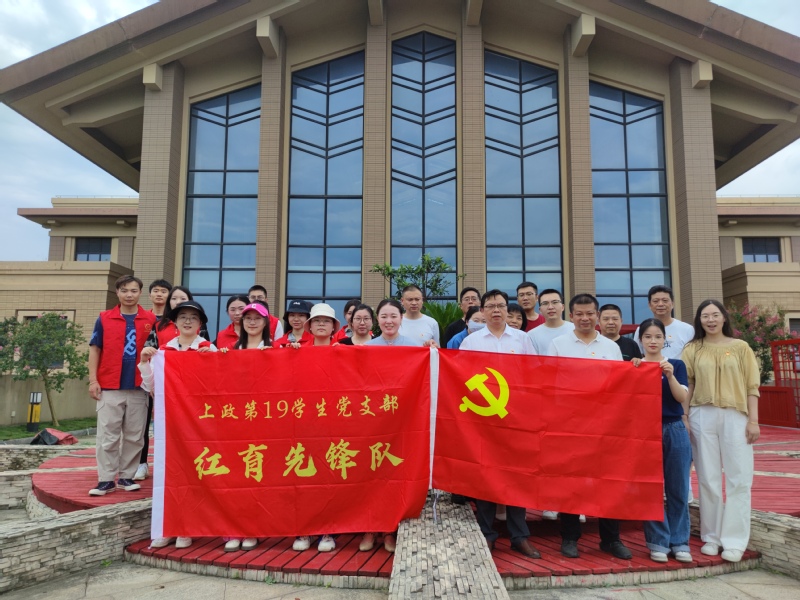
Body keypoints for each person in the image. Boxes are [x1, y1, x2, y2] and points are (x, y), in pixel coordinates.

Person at [547, 293, 632, 560]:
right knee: (571, 482)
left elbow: (620, 384)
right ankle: (570, 537)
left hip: (605, 424)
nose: (585, 318)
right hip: (570, 423)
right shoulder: (558, 344)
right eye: (580, 314)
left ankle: (611, 539)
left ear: (597, 315)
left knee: (608, 481)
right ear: (571, 316)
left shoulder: (610, 347)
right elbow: (549, 383)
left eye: (590, 313)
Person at [458, 289, 540, 558]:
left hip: (515, 418)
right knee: (485, 476)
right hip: (483, 420)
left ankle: (519, 536)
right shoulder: (471, 342)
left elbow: (533, 375)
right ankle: (487, 534)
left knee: (516, 477)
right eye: (491, 306)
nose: (496, 310)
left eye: (501, 306)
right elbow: (462, 378)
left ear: (508, 309)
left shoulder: (522, 339)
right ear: (482, 310)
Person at [682, 299, 760, 563]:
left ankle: (735, 541)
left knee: (739, 478)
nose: (711, 320)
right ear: (699, 320)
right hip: (701, 414)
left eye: (715, 315)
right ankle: (712, 537)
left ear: (724, 317)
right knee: (708, 477)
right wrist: (684, 416)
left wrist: (753, 420)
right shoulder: (692, 348)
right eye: (705, 316)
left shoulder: (741, 347)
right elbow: (688, 384)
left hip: (736, 415)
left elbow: (752, 385)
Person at [139, 300, 216, 550]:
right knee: (168, 474)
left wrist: (212, 362)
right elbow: (150, 387)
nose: (187, 321)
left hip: (199, 424)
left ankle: (187, 527)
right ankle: (167, 527)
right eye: (183, 317)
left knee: (194, 475)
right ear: (174, 323)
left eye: (193, 317)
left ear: (200, 323)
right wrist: (144, 362)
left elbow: (219, 386)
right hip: (169, 424)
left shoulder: (208, 349)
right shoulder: (164, 351)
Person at [87, 275, 157, 497]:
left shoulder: (150, 319)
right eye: (124, 290)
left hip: (139, 387)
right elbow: (95, 349)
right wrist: (93, 380)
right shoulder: (104, 318)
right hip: (109, 386)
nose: (129, 295)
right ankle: (106, 479)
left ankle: (127, 476)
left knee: (134, 436)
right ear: (117, 292)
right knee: (107, 436)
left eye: (133, 291)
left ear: (140, 293)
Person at [636, 318, 693, 564]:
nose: (653, 341)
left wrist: (669, 376)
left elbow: (681, 397)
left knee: (677, 487)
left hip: (674, 427)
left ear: (664, 340)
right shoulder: (635, 366)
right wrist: (635, 370)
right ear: (640, 340)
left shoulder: (676, 365)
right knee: (651, 489)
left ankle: (680, 542)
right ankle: (658, 542)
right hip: (645, 431)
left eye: (657, 336)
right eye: (647, 336)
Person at [290, 302, 340, 553]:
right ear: (310, 326)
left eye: (326, 321)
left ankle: (327, 531)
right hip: (304, 423)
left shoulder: (343, 351)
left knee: (329, 477)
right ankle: (305, 530)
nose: (321, 325)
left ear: (333, 327)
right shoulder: (296, 351)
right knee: (304, 477)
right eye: (317, 321)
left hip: (334, 424)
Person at [634, 285, 693, 359]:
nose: (660, 304)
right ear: (649, 305)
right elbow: (638, 356)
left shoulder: (687, 329)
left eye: (665, 300)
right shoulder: (641, 329)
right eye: (656, 301)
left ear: (672, 303)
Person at [528, 289, 574, 355]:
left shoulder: (575, 329)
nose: (550, 307)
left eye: (555, 302)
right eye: (545, 303)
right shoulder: (532, 335)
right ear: (540, 310)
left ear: (562, 307)